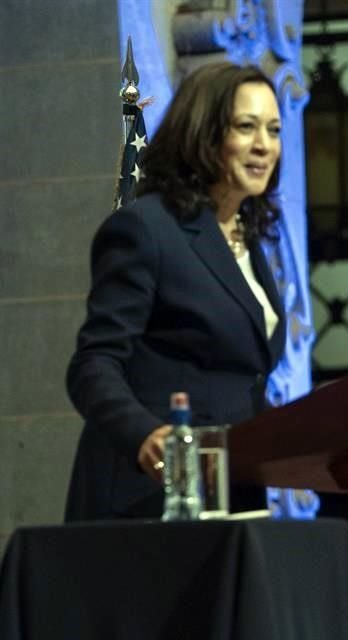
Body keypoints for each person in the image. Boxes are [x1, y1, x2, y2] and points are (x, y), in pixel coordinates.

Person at [64, 62, 286, 521]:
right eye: (246, 127)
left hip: (232, 491)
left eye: (274, 129)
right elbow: (93, 364)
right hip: (151, 494)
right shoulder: (147, 229)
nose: (264, 145)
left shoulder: (249, 239)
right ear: (204, 136)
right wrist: (145, 434)